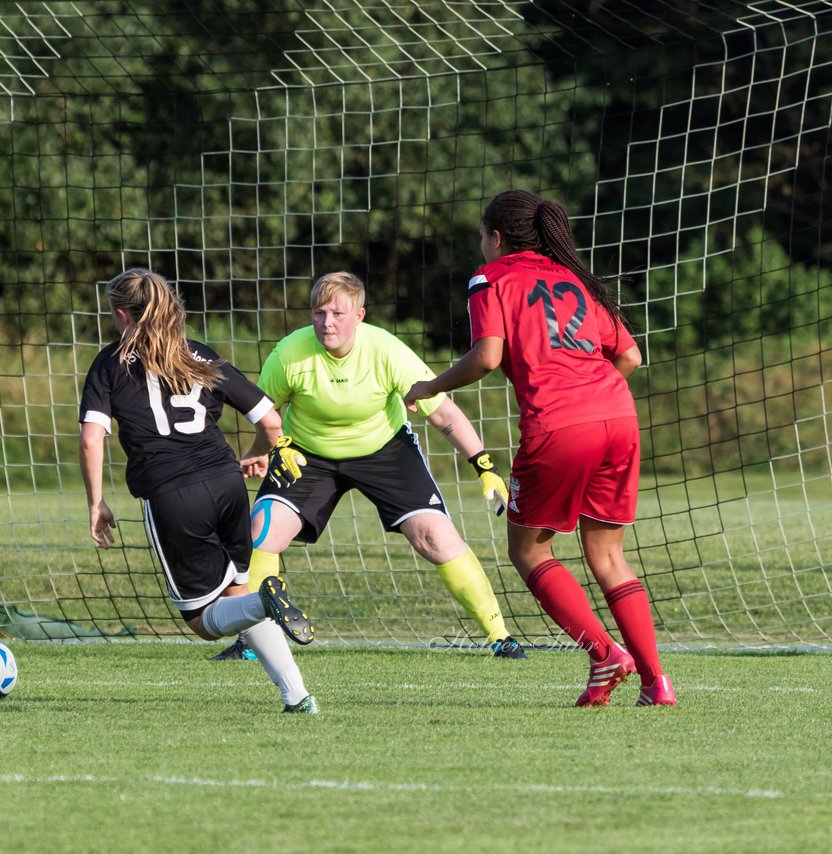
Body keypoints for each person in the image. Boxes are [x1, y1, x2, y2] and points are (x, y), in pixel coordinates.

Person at [404, 189, 674, 707]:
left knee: (528, 550)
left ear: (496, 237)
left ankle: (604, 655)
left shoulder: (491, 278)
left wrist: (431, 386)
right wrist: (594, 396)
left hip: (559, 426)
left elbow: (486, 357)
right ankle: (656, 682)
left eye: (482, 235)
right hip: (619, 416)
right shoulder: (576, 277)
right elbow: (631, 355)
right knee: (608, 554)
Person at [214, 270, 526, 662]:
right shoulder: (289, 354)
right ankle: (252, 642)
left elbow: (444, 414)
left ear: (360, 315)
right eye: (319, 312)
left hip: (385, 450)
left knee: (434, 536)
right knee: (262, 529)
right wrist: (267, 449)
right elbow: (267, 415)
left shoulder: (387, 350)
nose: (327, 322)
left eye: (338, 313)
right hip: (308, 454)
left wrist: (483, 466)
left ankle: (500, 637)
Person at [78, 267, 318, 713]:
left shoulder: (109, 363)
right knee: (237, 595)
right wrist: (255, 454)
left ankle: (268, 602)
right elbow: (271, 422)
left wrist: (96, 502)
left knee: (204, 622)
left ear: (120, 314)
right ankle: (298, 695)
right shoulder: (200, 356)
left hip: (173, 494)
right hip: (227, 484)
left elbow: (93, 438)